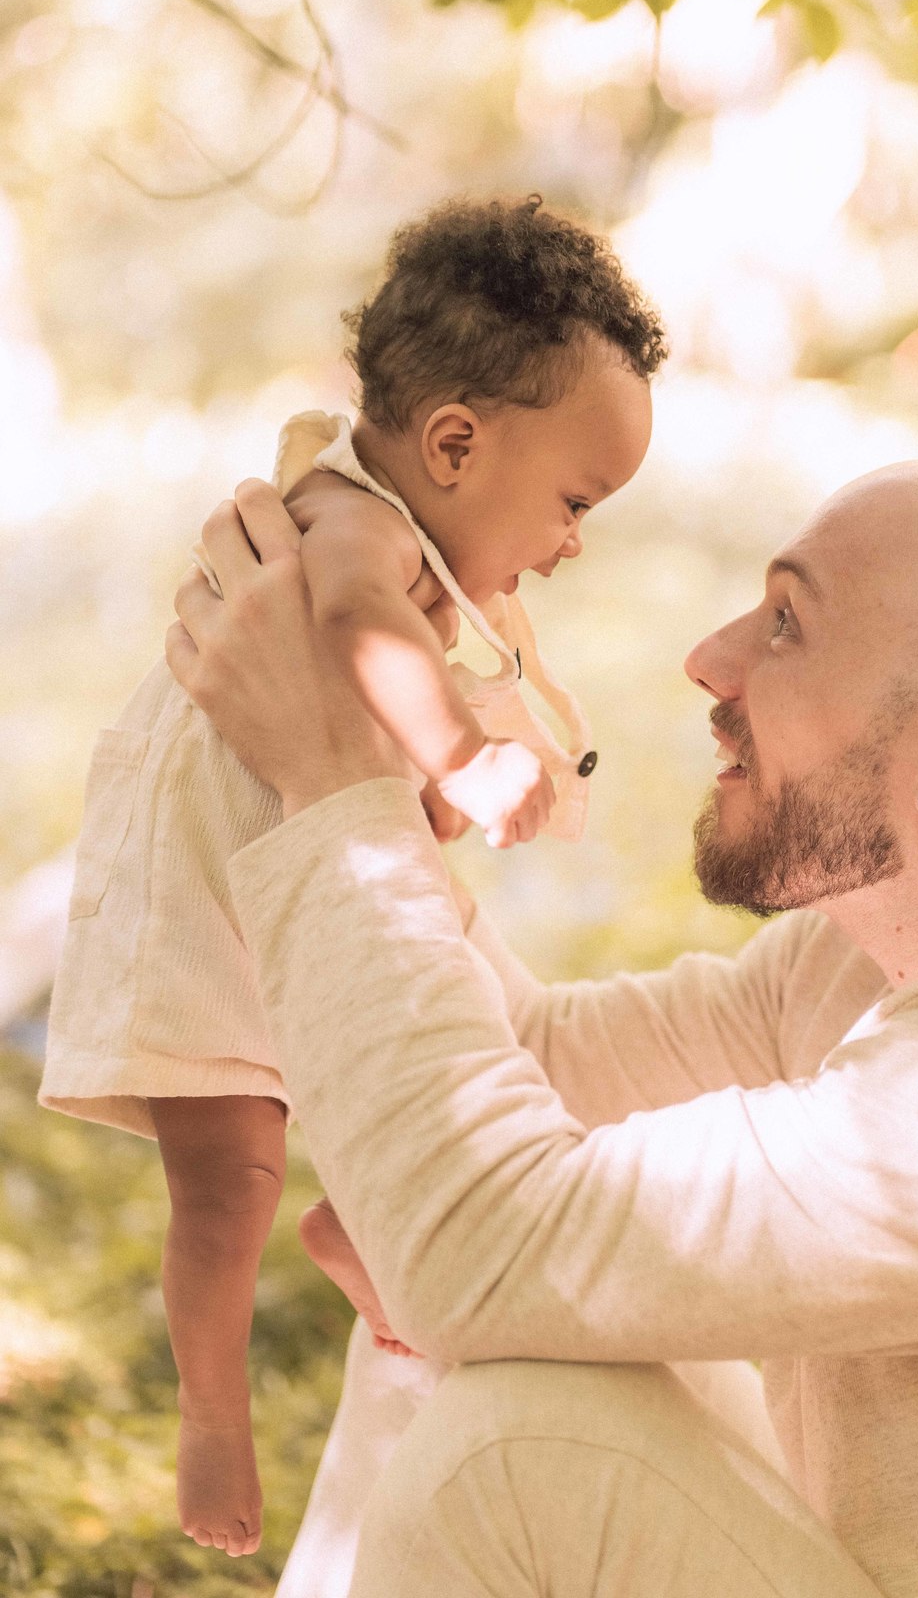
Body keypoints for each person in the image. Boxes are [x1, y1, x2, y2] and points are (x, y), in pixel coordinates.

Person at [168, 453, 918, 1598]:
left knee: (523, 1437)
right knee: (498, 1288)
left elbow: (477, 1238)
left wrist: (333, 789)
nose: (711, 658)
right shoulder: (886, 947)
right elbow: (529, 1075)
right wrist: (352, 744)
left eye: (787, 625)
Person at [38, 196, 662, 1557]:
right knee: (228, 1177)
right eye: (574, 503)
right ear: (453, 443)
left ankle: (368, 1231)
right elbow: (368, 630)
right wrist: (458, 760)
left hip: (300, 853)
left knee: (419, 1044)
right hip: (202, 883)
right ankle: (212, 1415)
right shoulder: (351, 526)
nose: (570, 545)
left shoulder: (404, 532)